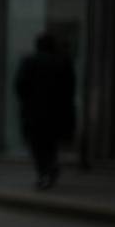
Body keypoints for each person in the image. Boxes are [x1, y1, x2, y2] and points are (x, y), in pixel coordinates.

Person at [16, 32, 76, 190]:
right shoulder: (62, 62)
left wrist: (27, 102)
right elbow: (70, 88)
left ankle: (44, 172)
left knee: (37, 145)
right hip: (56, 113)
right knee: (51, 144)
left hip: (34, 112)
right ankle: (50, 167)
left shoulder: (29, 61)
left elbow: (20, 86)